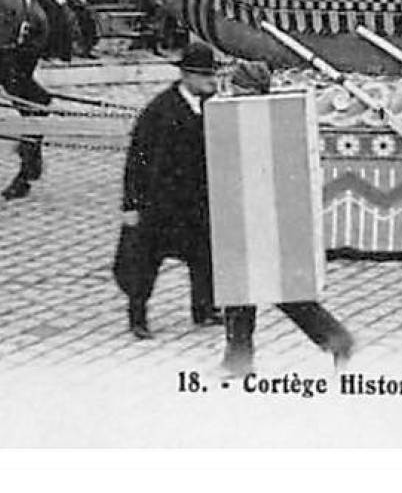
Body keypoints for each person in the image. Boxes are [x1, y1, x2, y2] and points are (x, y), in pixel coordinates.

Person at [218, 59, 356, 376]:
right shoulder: (263, 120)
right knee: (248, 291)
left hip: (259, 220)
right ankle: (240, 358)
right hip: (251, 217)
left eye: (239, 91)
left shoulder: (262, 123)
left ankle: (335, 338)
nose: (233, 96)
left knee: (266, 291)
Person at [116, 42, 225, 339]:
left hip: (196, 200)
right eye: (205, 76)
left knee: (204, 255)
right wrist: (130, 205)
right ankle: (137, 316)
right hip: (160, 201)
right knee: (146, 260)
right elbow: (136, 159)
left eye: (213, 75)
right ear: (187, 76)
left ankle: (204, 309)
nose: (212, 82)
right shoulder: (159, 110)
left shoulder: (210, 105)